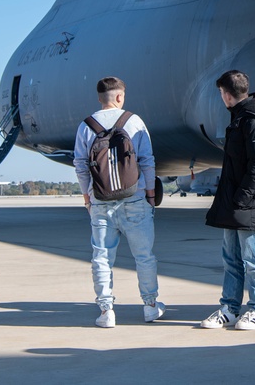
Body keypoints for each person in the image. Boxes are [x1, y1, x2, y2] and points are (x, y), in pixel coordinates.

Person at [73, 76, 162, 328]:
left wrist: (87, 196)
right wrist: (151, 194)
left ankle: (106, 311)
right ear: (120, 97)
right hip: (135, 197)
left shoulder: (86, 126)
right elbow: (147, 161)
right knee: (144, 256)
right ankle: (151, 306)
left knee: (101, 256)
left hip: (101, 200)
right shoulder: (134, 121)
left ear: (100, 98)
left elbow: (80, 165)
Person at [200, 70, 255, 331]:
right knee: (231, 257)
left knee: (254, 257)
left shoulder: (254, 120)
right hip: (235, 202)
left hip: (250, 203)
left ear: (226, 93)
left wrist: (243, 197)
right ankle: (230, 308)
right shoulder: (239, 118)